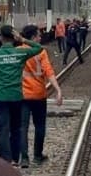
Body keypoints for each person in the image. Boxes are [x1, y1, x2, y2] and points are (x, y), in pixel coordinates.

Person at [0, 25, 43, 166]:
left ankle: (6, 160)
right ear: (14, 38)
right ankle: (15, 158)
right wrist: (23, 39)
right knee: (16, 128)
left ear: (1, 38)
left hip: (1, 97)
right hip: (17, 97)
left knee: (2, 129)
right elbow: (39, 48)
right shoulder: (21, 53)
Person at [18, 25, 62, 169]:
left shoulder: (18, 51)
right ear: (32, 38)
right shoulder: (41, 52)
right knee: (40, 126)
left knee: (22, 127)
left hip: (22, 95)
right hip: (38, 94)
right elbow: (49, 72)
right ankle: (37, 156)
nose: (40, 37)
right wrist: (57, 90)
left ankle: (24, 158)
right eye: (38, 35)